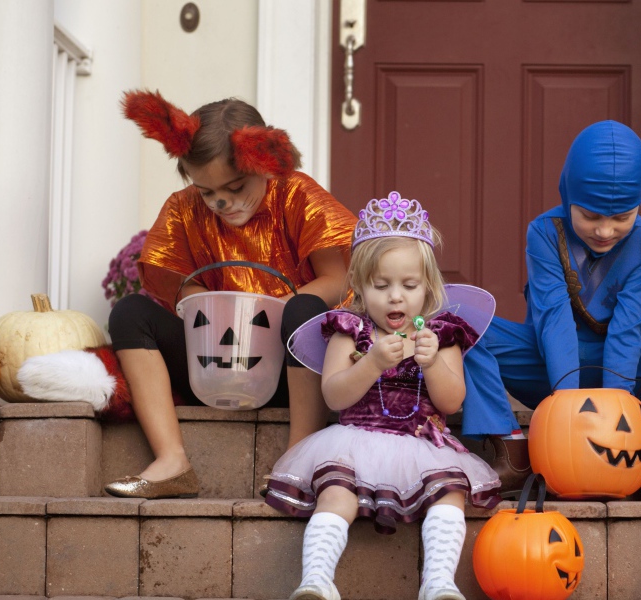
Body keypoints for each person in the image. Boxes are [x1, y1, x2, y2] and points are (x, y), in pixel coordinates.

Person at [461, 120, 641, 499]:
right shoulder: (544, 233)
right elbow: (554, 318)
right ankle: (512, 452)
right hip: (547, 369)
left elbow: (630, 329)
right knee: (461, 321)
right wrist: (566, 412)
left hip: (629, 372)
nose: (605, 231)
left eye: (621, 218)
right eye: (591, 216)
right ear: (568, 196)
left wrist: (614, 416)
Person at [103, 89, 356, 499]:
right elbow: (183, 291)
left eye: (236, 187)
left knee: (305, 309)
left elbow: (338, 278)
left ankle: (299, 456)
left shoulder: (296, 195)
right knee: (130, 313)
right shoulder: (184, 209)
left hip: (291, 369)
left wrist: (274, 312)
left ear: (267, 163)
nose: (222, 201)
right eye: (207, 192)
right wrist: (211, 306)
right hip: (217, 363)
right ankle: (172, 461)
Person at [264, 193, 501, 600]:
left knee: (449, 494)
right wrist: (369, 363)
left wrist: (433, 364)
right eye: (381, 285)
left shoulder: (439, 336)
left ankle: (439, 583)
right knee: (335, 494)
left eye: (409, 286)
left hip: (422, 445)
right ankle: (316, 581)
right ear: (358, 285)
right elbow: (335, 396)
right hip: (353, 443)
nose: (396, 296)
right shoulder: (351, 331)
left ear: (427, 289)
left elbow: (452, 402)